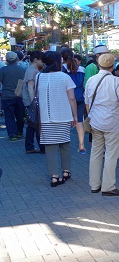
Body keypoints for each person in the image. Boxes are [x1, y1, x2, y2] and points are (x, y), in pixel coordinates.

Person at [85, 53, 119, 196]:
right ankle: (108, 186)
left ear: (98, 65)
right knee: (111, 154)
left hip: (95, 122)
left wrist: (92, 117)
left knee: (95, 152)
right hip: (112, 123)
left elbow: (87, 104)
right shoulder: (116, 81)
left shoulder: (91, 80)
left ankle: (94, 185)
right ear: (112, 67)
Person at [37, 51, 78, 187]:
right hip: (63, 115)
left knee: (50, 147)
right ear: (58, 62)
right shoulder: (64, 77)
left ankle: (54, 176)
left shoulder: (38, 77)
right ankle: (66, 171)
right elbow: (72, 98)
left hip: (45, 117)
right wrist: (75, 116)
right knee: (65, 144)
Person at [0, 51, 26, 141]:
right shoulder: (22, 69)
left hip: (7, 96)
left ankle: (12, 134)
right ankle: (19, 132)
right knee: (20, 115)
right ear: (16, 59)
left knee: (9, 116)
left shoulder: (3, 70)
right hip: (19, 95)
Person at [22, 51, 45, 154]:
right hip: (32, 100)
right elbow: (30, 88)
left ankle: (30, 146)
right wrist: (33, 102)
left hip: (30, 100)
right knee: (35, 124)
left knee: (32, 124)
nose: (42, 62)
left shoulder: (32, 69)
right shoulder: (32, 70)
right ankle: (39, 146)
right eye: (41, 59)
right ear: (36, 59)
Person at [64, 51, 87, 153]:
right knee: (79, 122)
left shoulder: (63, 70)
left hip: (68, 98)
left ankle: (63, 145)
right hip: (80, 98)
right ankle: (81, 145)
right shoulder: (82, 69)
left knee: (65, 122)